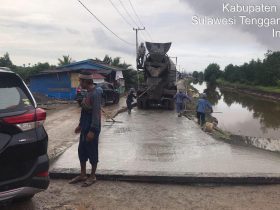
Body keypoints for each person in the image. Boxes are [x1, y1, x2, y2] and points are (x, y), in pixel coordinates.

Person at [69, 72, 102, 187]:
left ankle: (92, 176)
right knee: (82, 151)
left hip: (92, 127)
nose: (79, 83)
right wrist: (80, 125)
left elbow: (96, 114)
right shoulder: (87, 93)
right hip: (85, 126)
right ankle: (83, 174)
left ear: (86, 82)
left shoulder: (96, 94)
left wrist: (92, 130)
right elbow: (84, 111)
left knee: (92, 151)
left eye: (80, 81)